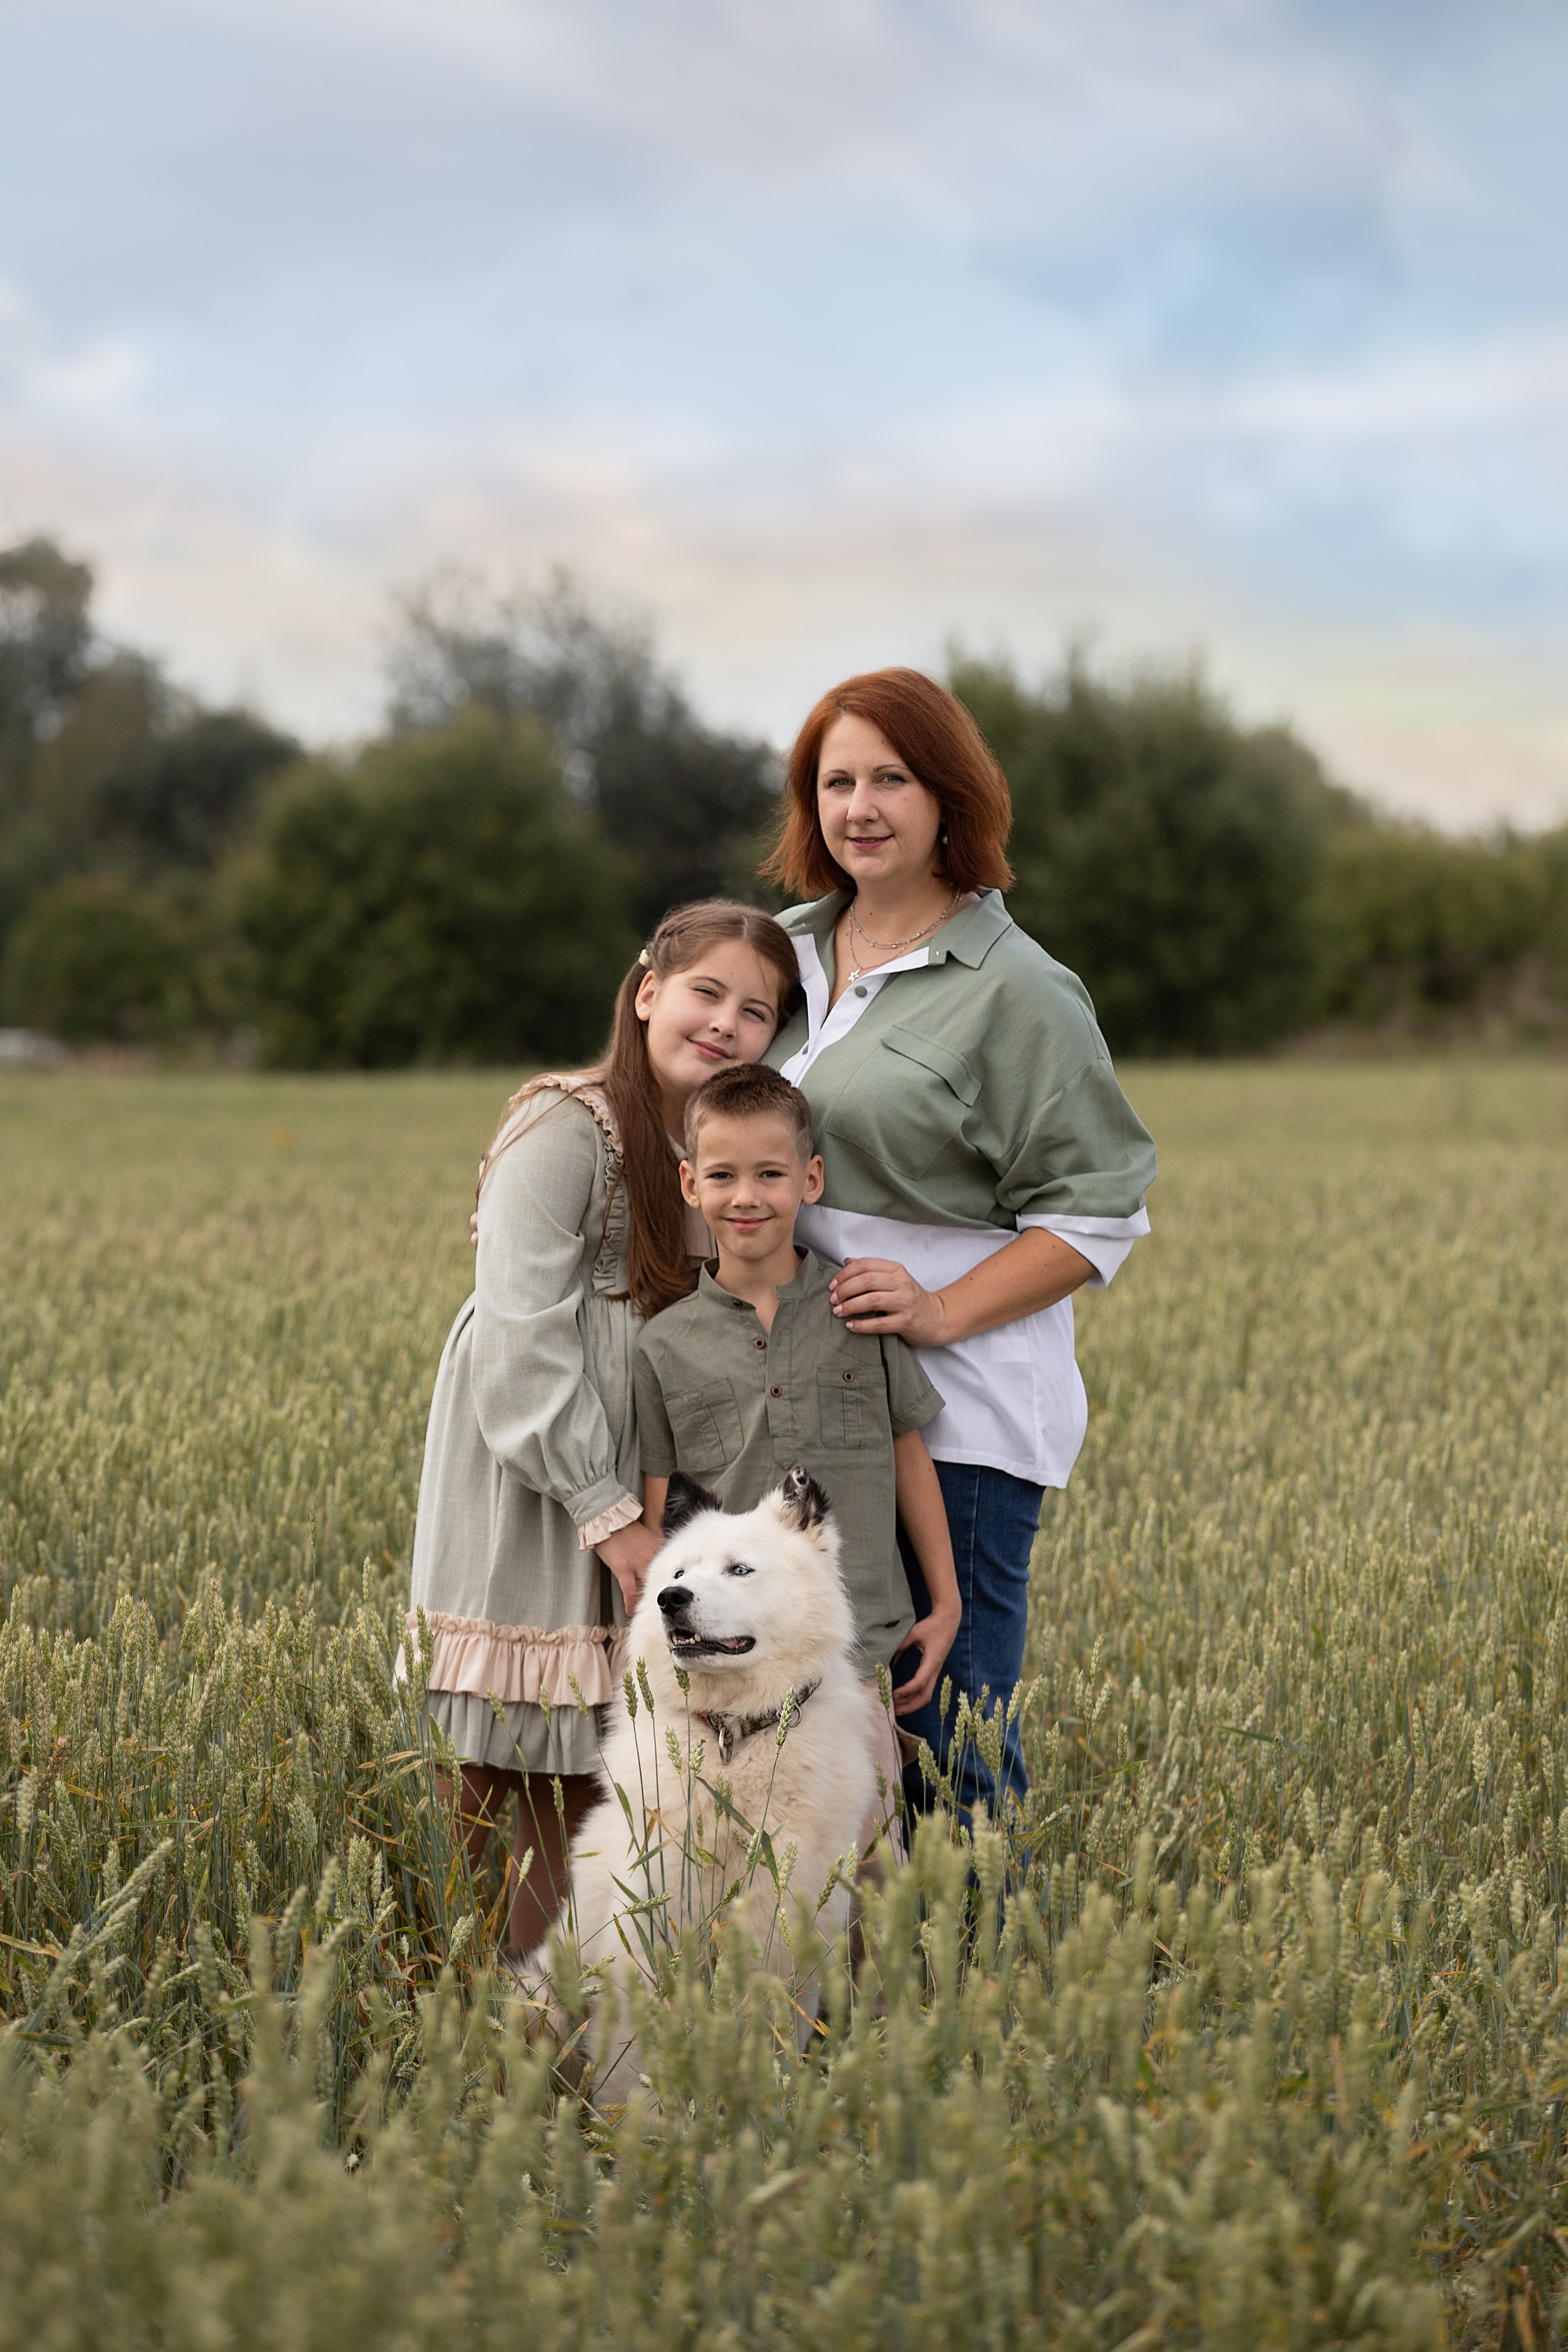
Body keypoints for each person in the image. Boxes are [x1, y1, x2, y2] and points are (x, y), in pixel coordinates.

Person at [760, 668, 1157, 1817]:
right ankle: (853, 1994)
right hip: (800, 1397)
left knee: (947, 1742)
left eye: (893, 778)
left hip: (960, 1416)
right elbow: (664, 1072)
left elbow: (1098, 1210)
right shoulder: (784, 956)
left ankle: (984, 1991)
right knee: (811, 1744)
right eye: (837, 781)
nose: (861, 807)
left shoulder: (1019, 988)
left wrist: (937, 1312)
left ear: (949, 798)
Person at [407, 900, 801, 1957]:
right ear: (646, 994)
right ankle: (491, 2000)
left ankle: (598, 1998)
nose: (724, 1023)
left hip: (651, 1473)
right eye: (705, 993)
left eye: (755, 1011)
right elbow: (522, 1340)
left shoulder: (714, 1149)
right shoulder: (565, 1121)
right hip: (543, 1474)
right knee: (520, 1742)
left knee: (613, 1745)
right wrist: (609, 1515)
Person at [633, 1061, 962, 1853]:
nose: (746, 1196)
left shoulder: (861, 1309)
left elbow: (910, 1459)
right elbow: (659, 1520)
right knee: (723, 1877)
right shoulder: (664, 1344)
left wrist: (944, 1601)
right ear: (690, 1184)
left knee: (864, 1876)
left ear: (809, 1179)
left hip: (852, 1660)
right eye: (723, 1175)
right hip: (721, 1682)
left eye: (770, 1174)